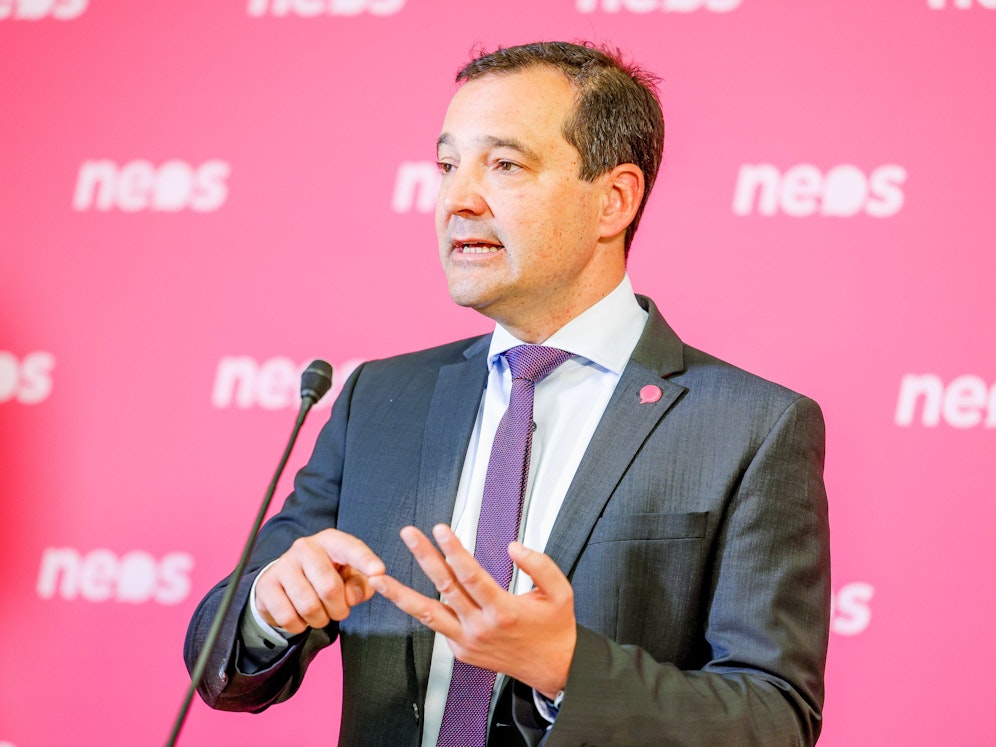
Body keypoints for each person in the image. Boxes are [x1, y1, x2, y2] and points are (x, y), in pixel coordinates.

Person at [184, 41, 830, 746]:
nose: (457, 200)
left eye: (505, 165)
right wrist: (268, 607)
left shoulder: (750, 427)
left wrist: (566, 669)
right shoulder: (381, 400)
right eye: (447, 166)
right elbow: (218, 659)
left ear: (613, 199)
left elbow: (775, 717)